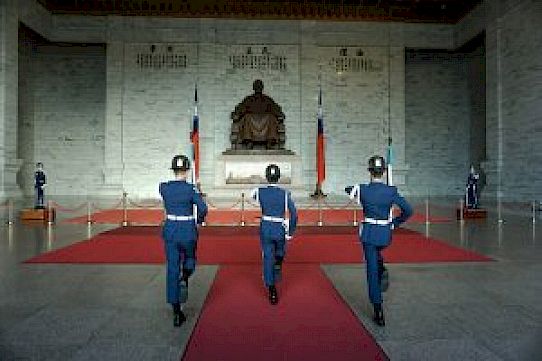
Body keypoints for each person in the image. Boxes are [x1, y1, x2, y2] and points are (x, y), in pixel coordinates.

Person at [345, 155, 412, 326]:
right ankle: (380, 265)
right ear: (383, 172)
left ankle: (378, 309)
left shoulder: (363, 190)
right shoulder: (391, 191)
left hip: (369, 235)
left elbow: (348, 190)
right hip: (384, 235)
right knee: (377, 254)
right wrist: (394, 223)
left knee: (371, 271)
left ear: (369, 172)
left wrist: (355, 189)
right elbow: (408, 210)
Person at [159, 155, 207, 327]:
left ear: (173, 170)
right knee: (190, 259)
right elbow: (203, 208)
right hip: (187, 229)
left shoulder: (164, 187)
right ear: (187, 170)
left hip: (171, 229)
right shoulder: (191, 189)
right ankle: (185, 275)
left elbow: (170, 196)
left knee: (172, 266)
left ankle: (176, 312)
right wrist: (200, 221)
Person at [251, 164, 297, 305]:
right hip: (279, 227)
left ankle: (271, 289)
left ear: (266, 177)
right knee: (280, 251)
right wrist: (291, 231)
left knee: (267, 256)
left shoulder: (260, 191)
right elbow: (294, 214)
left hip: (266, 227)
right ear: (279, 177)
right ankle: (278, 262)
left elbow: (252, 197)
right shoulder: (284, 194)